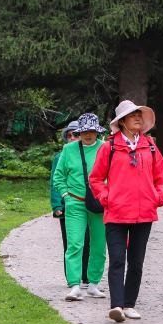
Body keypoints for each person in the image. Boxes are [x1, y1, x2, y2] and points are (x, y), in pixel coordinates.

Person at [89, 99, 163, 323]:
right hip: (116, 213)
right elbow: (95, 179)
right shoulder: (109, 147)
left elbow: (161, 177)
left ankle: (129, 304)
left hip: (144, 213)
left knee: (136, 262)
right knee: (117, 260)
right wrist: (106, 198)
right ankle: (116, 306)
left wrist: (157, 196)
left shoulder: (150, 146)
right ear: (122, 121)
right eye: (133, 115)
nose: (137, 118)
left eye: (139, 115)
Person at [52, 113, 108, 301]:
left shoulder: (105, 148)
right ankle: (74, 285)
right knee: (75, 243)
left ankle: (93, 284)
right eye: (84, 131)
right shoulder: (68, 149)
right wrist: (66, 196)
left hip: (99, 203)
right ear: (79, 132)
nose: (88, 135)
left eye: (92, 131)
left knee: (99, 244)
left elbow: (114, 174)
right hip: (75, 202)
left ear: (97, 132)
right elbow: (58, 176)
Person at [49, 120, 90, 285]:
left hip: (88, 205)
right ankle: (72, 278)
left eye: (76, 134)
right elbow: (55, 182)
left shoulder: (89, 153)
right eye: (69, 135)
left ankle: (86, 275)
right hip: (67, 206)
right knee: (71, 243)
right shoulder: (60, 156)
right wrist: (57, 205)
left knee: (88, 241)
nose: (72, 137)